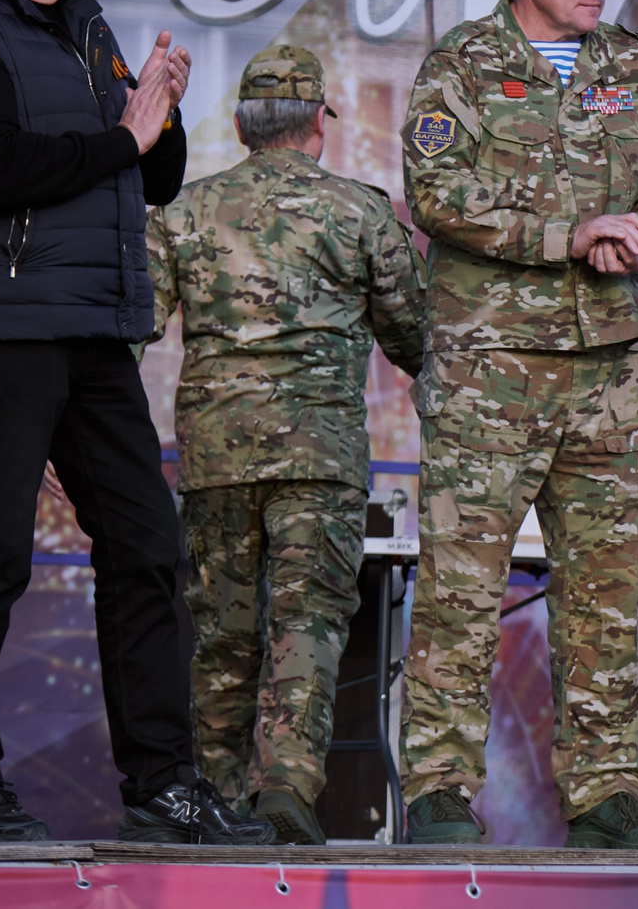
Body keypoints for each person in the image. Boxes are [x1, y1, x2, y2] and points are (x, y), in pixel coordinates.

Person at [0, 0, 268, 844]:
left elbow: (147, 176)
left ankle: (163, 784)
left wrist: (162, 112)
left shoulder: (88, 23)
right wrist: (125, 136)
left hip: (97, 327)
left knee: (149, 547)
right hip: (1, 324)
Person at [399, 0, 638, 850]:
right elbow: (438, 193)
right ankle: (441, 791)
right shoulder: (463, 64)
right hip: (488, 369)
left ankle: (607, 795)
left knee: (605, 589)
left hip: (606, 373)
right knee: (461, 585)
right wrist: (565, 235)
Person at [151, 44, 429, 844]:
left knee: (224, 635)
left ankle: (213, 801)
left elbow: (131, 327)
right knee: (307, 626)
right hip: (321, 460)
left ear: (242, 125)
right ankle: (287, 795)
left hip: (216, 459)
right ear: (317, 125)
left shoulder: (184, 212)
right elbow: (414, 337)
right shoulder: (363, 212)